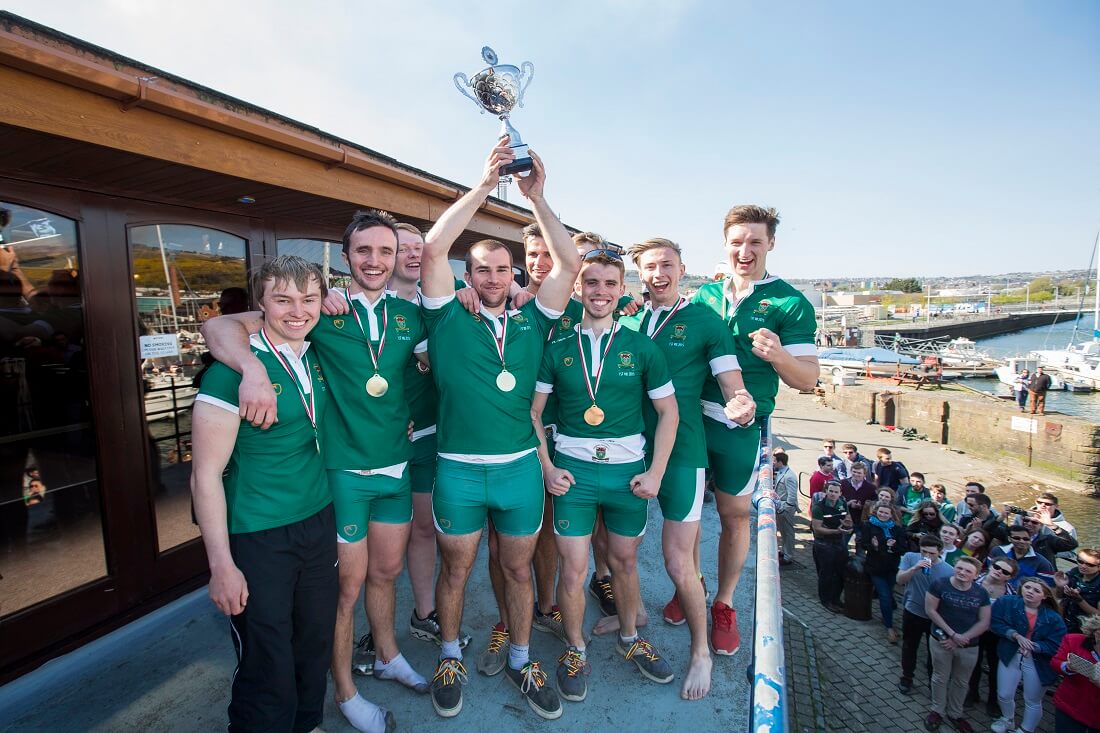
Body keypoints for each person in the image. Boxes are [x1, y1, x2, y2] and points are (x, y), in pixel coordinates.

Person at [205, 211, 432, 731]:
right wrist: (253, 368)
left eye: (385, 251)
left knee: (385, 573)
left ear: (397, 257)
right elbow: (219, 326)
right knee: (342, 591)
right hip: (343, 473)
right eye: (363, 251)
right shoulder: (320, 311)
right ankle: (346, 692)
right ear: (345, 256)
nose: (374, 261)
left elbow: (435, 359)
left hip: (395, 469)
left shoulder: (410, 314)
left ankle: (388, 655)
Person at [417, 141, 580, 720]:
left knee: (516, 568)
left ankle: (519, 656)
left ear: (514, 274)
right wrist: (486, 186)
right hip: (458, 471)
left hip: (517, 472)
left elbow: (568, 264)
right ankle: (450, 654)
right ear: (468, 275)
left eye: (500, 269)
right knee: (456, 567)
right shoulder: (443, 317)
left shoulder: (535, 320)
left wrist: (536, 198)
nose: (490, 277)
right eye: (480, 269)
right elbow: (434, 245)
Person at [190, 256, 353, 733]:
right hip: (258, 534)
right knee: (268, 660)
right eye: (282, 300)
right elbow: (205, 476)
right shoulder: (229, 375)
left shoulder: (315, 354)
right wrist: (221, 566)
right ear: (260, 305)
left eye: (308, 299)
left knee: (313, 643)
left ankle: (305, 724)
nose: (297, 311)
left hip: (317, 520)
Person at [532, 249, 682, 703]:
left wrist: (655, 472)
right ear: (577, 289)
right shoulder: (557, 348)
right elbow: (534, 413)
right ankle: (575, 647)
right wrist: (548, 467)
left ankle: (631, 636)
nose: (600, 292)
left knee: (624, 562)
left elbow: (668, 412)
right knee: (574, 570)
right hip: (573, 475)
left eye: (609, 284)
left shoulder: (642, 347)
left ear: (622, 290)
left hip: (627, 476)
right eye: (591, 283)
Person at [619, 236, 756, 701]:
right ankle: (632, 614)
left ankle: (701, 652)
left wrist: (741, 401)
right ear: (639, 274)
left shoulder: (705, 321)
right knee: (620, 548)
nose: (657, 274)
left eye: (666, 265)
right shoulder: (627, 320)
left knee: (680, 561)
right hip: (627, 447)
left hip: (682, 451)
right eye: (649, 267)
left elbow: (729, 379)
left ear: (681, 270)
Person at [691, 204, 819, 656]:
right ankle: (690, 588)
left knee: (734, 516)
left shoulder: (789, 302)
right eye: (737, 242)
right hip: (691, 418)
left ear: (771, 244)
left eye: (755, 243)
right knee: (683, 517)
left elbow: (807, 379)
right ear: (725, 244)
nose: (745, 251)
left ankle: (724, 604)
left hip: (740, 424)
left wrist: (779, 355)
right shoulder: (703, 296)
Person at [924, 556, 992, 732]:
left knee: (962, 681)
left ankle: (955, 713)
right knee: (940, 677)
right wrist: (953, 635)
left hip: (968, 645)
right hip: (941, 640)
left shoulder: (981, 593)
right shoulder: (939, 585)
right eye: (960, 568)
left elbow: (984, 622)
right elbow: (931, 610)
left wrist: (964, 638)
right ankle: (937, 710)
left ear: (976, 575)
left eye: (968, 571)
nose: (962, 572)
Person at [989, 579, 1067, 733]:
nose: (1030, 591)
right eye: (1027, 587)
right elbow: (995, 622)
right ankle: (1007, 719)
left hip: (1038, 660)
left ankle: (1026, 729)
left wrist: (1035, 646)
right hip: (1010, 653)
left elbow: (1057, 644)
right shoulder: (1007, 602)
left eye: (1036, 590)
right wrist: (1015, 635)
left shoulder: (1053, 617)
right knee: (1004, 693)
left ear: (1045, 596)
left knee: (1032, 699)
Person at [896, 534, 954, 694]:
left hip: (934, 618)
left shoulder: (949, 571)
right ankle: (907, 677)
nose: (927, 556)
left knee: (933, 653)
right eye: (924, 552)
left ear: (940, 552)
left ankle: (932, 683)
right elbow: (900, 580)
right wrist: (915, 568)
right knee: (909, 647)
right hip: (912, 611)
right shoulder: (910, 558)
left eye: (932, 553)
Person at [969, 557, 1019, 717]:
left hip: (997, 635)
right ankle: (972, 692)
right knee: (973, 663)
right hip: (974, 629)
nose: (999, 571)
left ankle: (992, 700)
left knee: (995, 668)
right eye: (997, 567)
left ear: (1010, 577)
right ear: (991, 565)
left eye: (1005, 572)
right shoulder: (974, 581)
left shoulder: (1011, 593)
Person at [860, 500, 906, 643]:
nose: (883, 514)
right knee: (885, 595)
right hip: (876, 567)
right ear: (876, 511)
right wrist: (873, 546)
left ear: (891, 514)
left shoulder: (897, 529)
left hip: (892, 567)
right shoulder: (869, 525)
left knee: (889, 592)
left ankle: (887, 616)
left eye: (886, 513)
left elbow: (903, 549)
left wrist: (895, 545)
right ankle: (889, 627)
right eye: (881, 512)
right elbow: (863, 544)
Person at [1049, 613, 1100, 733]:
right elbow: (1055, 662)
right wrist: (1067, 667)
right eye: (1099, 632)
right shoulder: (1074, 640)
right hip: (1071, 707)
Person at [811, 480, 851, 613]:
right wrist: (837, 531)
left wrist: (848, 525)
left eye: (836, 492)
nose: (833, 494)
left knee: (840, 573)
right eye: (831, 491)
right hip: (823, 544)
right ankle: (826, 600)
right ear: (826, 491)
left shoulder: (843, 503)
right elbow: (817, 529)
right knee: (826, 573)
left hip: (839, 543)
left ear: (840, 493)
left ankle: (836, 599)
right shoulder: (819, 507)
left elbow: (848, 518)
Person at [991, 525, 1056, 590]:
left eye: (1026, 539)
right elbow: (986, 571)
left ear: (1030, 540)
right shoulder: (997, 551)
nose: (1022, 541)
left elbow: (1048, 587)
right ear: (1009, 539)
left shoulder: (1042, 563)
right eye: (1017, 538)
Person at [1054, 549, 1100, 634]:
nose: (1083, 566)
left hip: (1087, 629)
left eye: (1090, 565)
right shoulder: (1074, 572)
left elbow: (1098, 615)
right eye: (1080, 561)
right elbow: (1059, 597)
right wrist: (1060, 586)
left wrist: (1079, 599)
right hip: (1066, 622)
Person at [773, 450, 799, 565]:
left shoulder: (789, 476)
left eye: (775, 461)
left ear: (780, 462)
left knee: (788, 533)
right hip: (781, 507)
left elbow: (792, 496)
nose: (773, 463)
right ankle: (785, 552)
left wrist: (785, 508)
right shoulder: (781, 472)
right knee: (783, 532)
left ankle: (788, 556)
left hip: (785, 509)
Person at [840, 462, 876, 541]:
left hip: (862, 522)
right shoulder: (843, 484)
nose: (856, 474)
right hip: (846, 520)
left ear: (864, 474)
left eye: (859, 473)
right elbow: (836, 502)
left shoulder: (871, 488)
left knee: (861, 549)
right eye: (854, 472)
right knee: (842, 545)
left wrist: (863, 506)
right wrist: (848, 504)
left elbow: (874, 506)